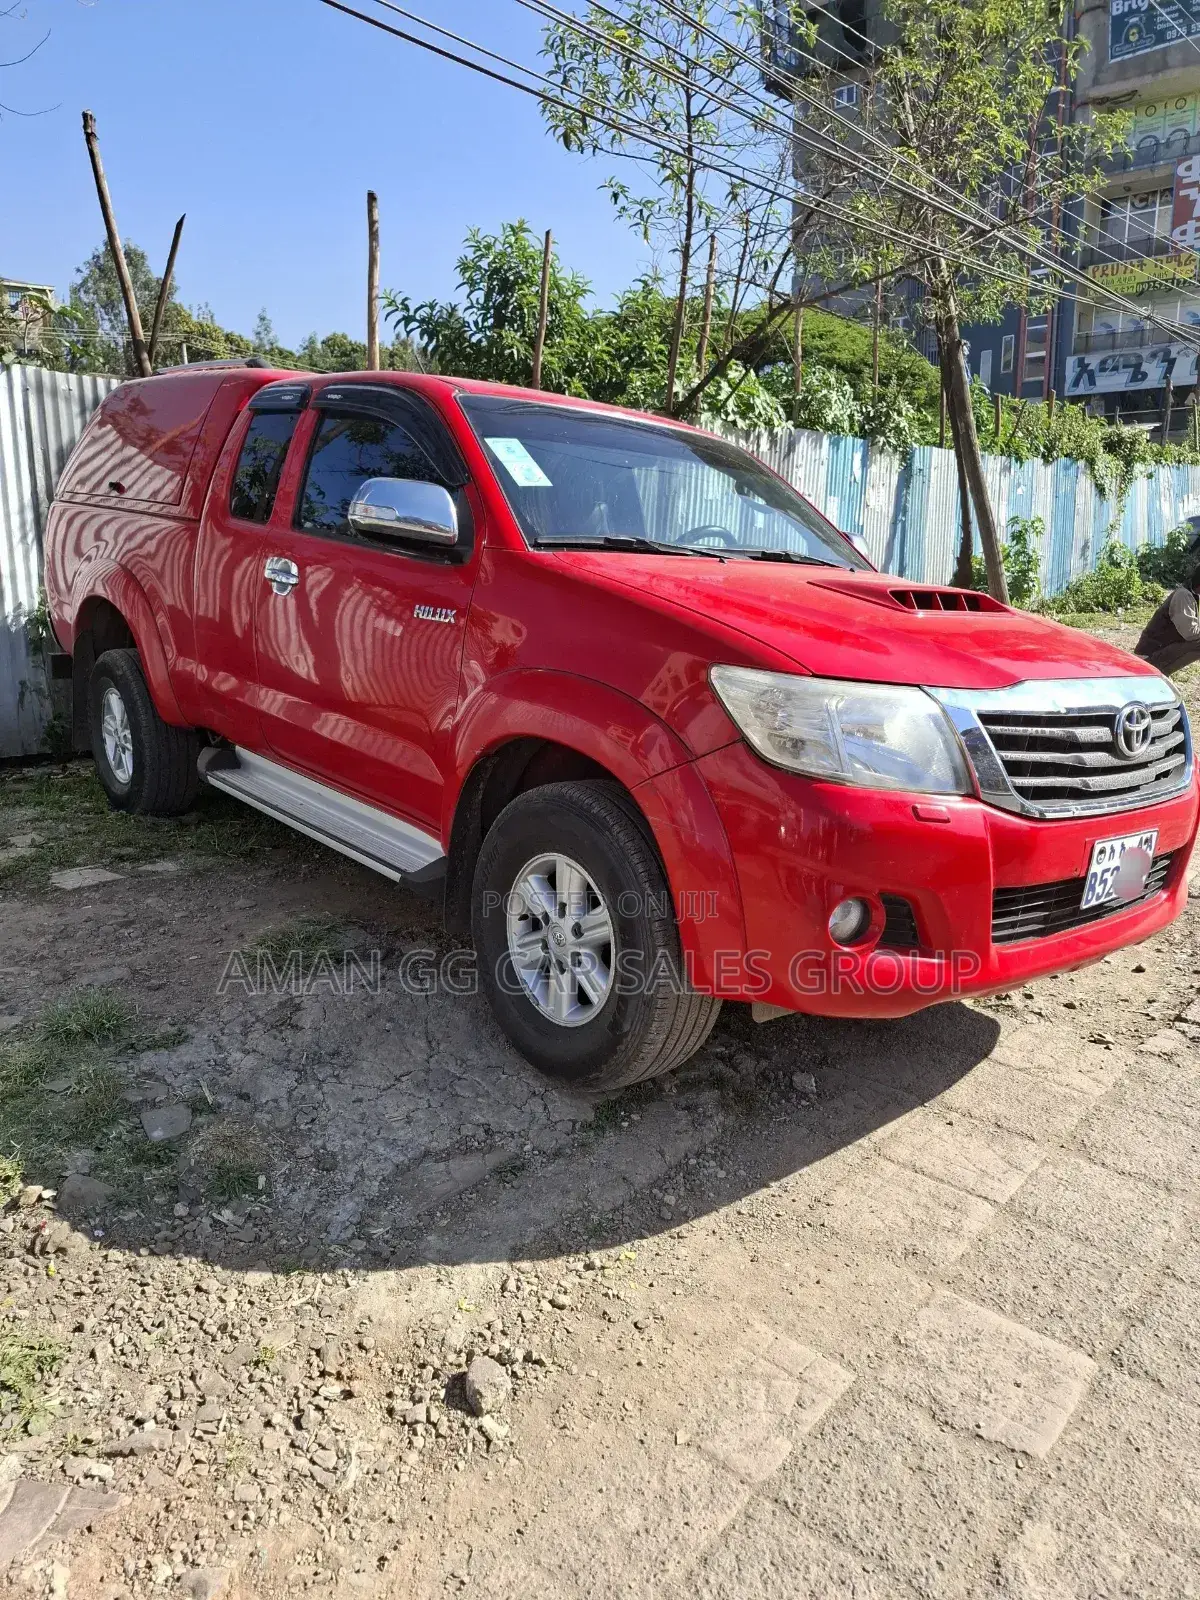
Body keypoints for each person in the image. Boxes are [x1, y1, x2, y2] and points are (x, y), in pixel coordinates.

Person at [1135, 563, 1200, 675]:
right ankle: (1157, 674)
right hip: (1148, 658)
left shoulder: (1194, 596)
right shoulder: (1183, 596)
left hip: (1160, 652)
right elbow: (1190, 633)